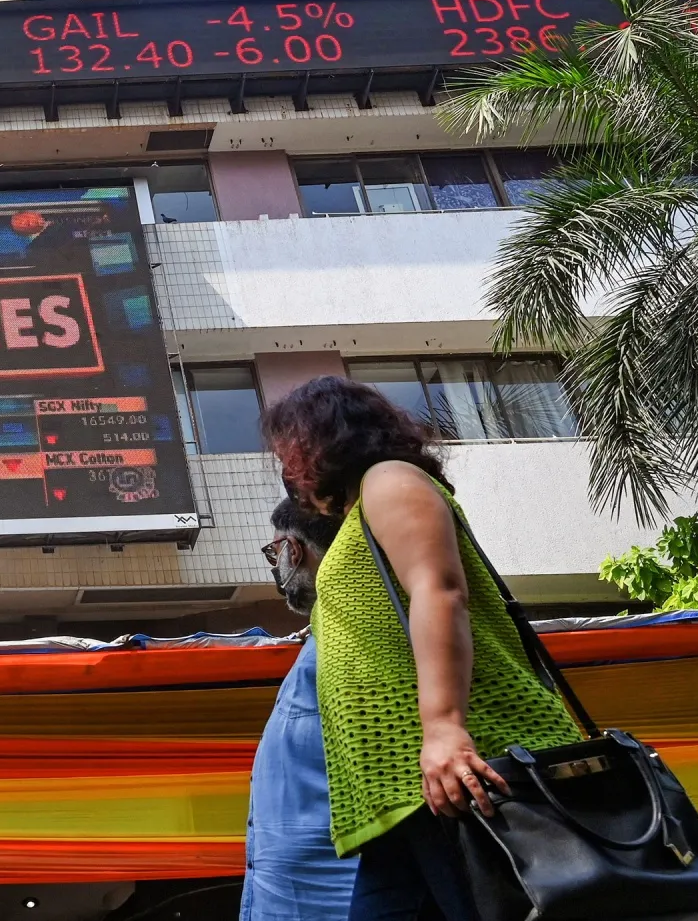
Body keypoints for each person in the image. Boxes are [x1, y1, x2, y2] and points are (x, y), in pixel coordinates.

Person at [263, 376, 583, 921]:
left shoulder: (390, 480)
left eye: (288, 453)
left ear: (320, 440)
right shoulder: (357, 514)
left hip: (457, 773)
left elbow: (440, 591)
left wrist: (444, 728)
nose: (289, 472)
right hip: (398, 795)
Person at [240, 496, 357, 921]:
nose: (277, 567)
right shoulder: (324, 634)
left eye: (275, 552)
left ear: (293, 549)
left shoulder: (355, 627)